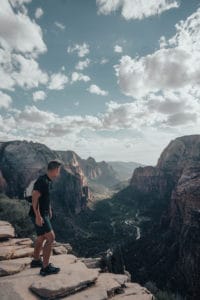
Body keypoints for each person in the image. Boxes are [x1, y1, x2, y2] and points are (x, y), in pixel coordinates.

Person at [28, 160, 62, 276]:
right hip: (40, 215)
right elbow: (35, 198)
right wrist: (38, 216)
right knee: (51, 238)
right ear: (55, 170)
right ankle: (45, 267)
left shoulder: (47, 180)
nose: (59, 172)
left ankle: (36, 260)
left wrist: (49, 209)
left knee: (41, 237)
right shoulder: (42, 181)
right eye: (59, 170)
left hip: (43, 213)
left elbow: (45, 197)